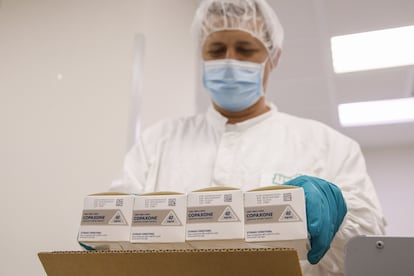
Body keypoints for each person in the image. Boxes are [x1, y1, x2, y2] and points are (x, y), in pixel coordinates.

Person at [110, 0, 386, 275]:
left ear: (273, 57)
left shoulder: (329, 146)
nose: (230, 61)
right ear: (202, 56)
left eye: (245, 49)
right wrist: (107, 231)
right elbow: (110, 230)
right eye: (216, 50)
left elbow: (370, 243)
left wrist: (336, 217)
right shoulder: (157, 140)